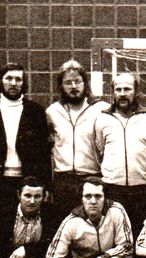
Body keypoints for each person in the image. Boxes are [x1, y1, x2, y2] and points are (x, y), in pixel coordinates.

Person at [0, 63, 51, 252]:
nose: (14, 83)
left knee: (28, 234)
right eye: (9, 79)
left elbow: (44, 153)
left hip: (26, 183)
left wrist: (46, 186)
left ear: (24, 83)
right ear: (1, 82)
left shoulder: (35, 111)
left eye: (18, 79)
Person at [92, 72, 146, 241]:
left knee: (140, 235)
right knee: (114, 235)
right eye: (118, 89)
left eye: (127, 89)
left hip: (141, 188)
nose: (122, 93)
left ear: (136, 92)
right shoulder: (102, 119)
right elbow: (99, 151)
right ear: (113, 92)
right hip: (113, 187)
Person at [46, 60, 109, 217]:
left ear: (85, 83)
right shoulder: (53, 111)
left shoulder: (101, 109)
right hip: (63, 180)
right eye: (68, 82)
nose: (73, 86)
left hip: (91, 179)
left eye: (77, 82)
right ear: (61, 86)